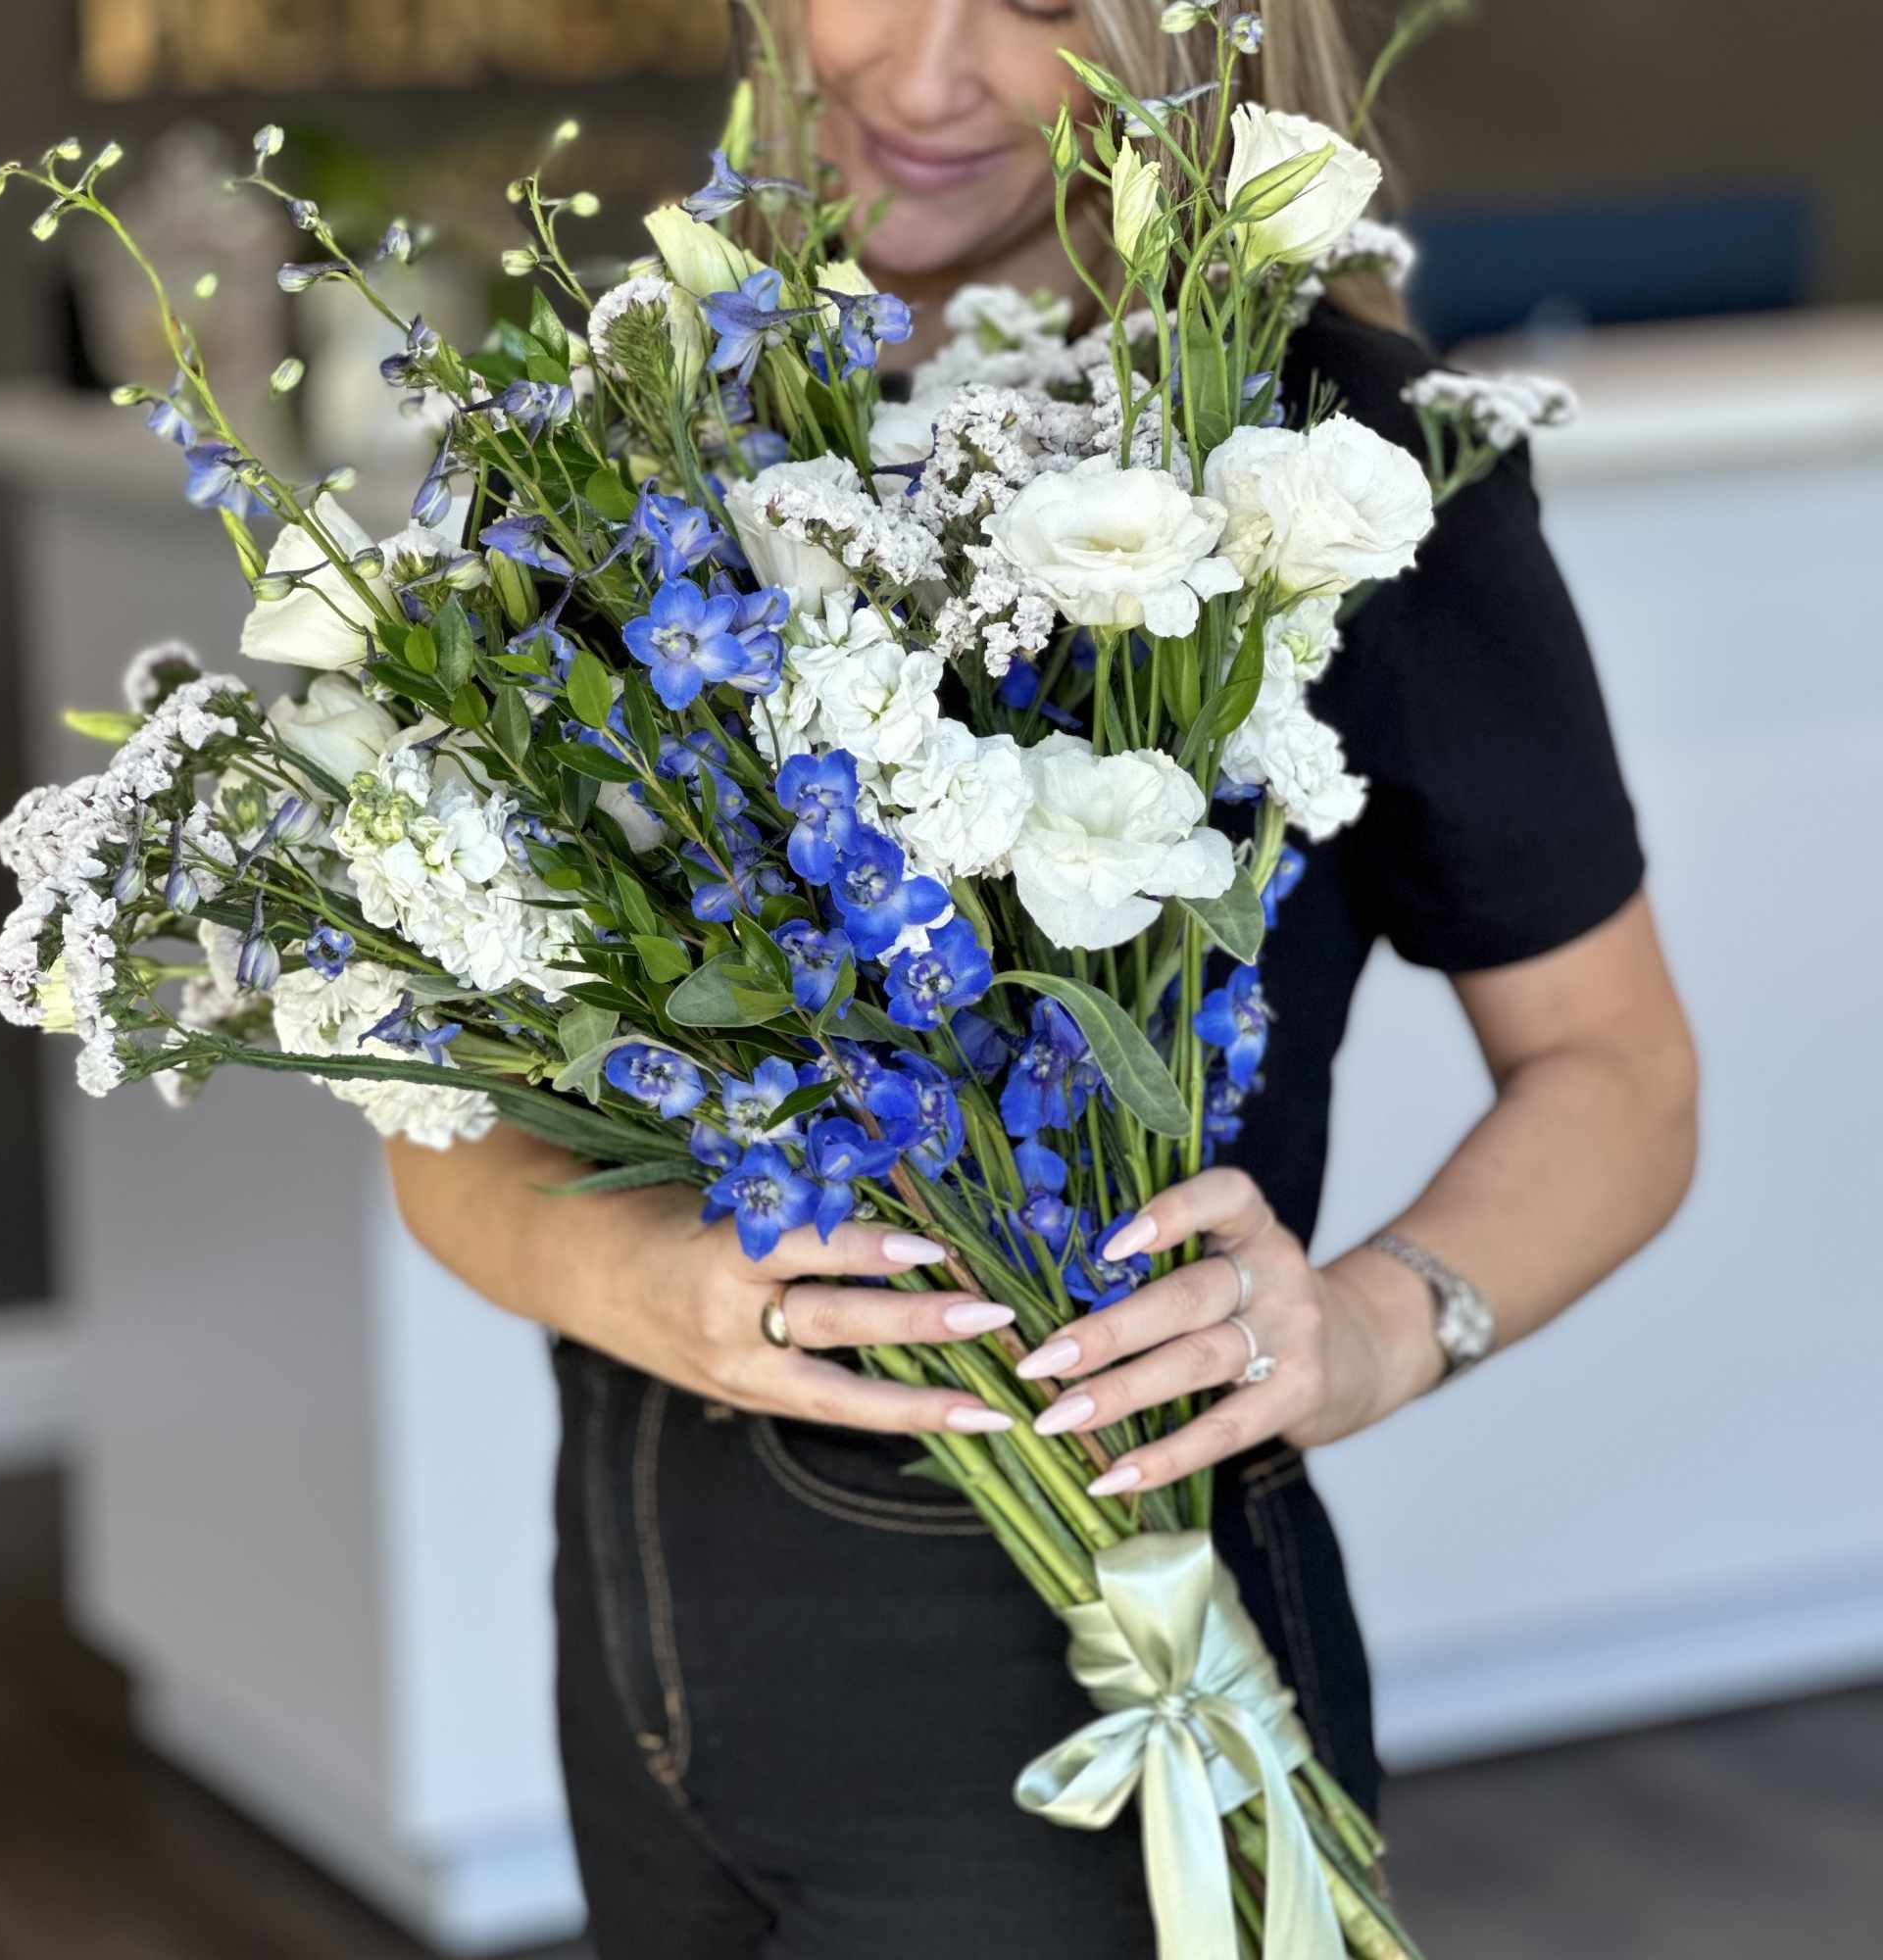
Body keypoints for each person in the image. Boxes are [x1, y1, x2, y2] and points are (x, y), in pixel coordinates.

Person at [387, 3, 1700, 1952]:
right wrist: (644, 1280)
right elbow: (432, 1105)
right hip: (650, 1651)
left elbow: (1619, 1073)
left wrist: (1371, 1322)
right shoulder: (613, 445)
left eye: (1037, 6)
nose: (920, 78)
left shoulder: (1334, 460)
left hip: (1092, 1669)